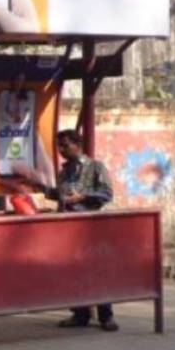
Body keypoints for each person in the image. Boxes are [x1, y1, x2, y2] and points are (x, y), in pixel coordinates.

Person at [35, 128, 118, 331]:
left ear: (77, 144)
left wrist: (82, 197)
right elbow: (60, 194)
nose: (61, 150)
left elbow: (106, 193)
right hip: (69, 228)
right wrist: (41, 188)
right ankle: (80, 313)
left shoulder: (95, 167)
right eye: (59, 146)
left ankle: (106, 316)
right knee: (74, 272)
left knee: (97, 271)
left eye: (65, 145)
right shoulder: (64, 171)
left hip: (91, 228)